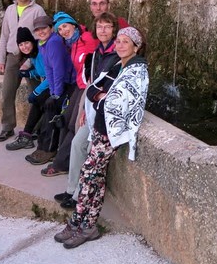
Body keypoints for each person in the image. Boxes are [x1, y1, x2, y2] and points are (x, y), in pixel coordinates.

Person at [54, 26, 149, 249]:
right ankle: (87, 225)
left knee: (88, 175)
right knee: (94, 178)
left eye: (126, 42)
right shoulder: (119, 65)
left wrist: (102, 96)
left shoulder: (137, 70)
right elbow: (93, 89)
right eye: (119, 41)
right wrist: (101, 96)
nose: (120, 45)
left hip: (110, 134)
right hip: (100, 126)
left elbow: (116, 100)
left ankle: (80, 222)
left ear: (136, 46)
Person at [41, 0, 127, 177]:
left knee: (74, 125)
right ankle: (62, 160)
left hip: (93, 89)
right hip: (83, 86)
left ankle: (62, 164)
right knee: (66, 121)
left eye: (102, 3)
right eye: (94, 4)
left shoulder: (89, 37)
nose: (98, 7)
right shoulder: (75, 41)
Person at [53, 12, 120, 209]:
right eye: (100, 27)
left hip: (105, 114)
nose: (103, 30)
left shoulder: (117, 53)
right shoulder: (96, 53)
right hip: (92, 110)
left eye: (107, 27)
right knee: (76, 143)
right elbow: (91, 82)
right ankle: (71, 188)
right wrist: (85, 109)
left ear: (113, 30)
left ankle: (78, 196)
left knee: (90, 150)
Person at [0, 0, 46, 142]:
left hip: (31, 57)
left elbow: (43, 33)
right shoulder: (10, 9)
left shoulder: (38, 10)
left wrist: (34, 56)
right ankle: (7, 127)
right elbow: (4, 35)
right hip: (12, 56)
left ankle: (37, 128)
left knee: (37, 93)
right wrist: (0, 59)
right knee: (7, 93)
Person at [25, 15, 74, 165]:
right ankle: (43, 144)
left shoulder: (54, 43)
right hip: (59, 84)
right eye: (38, 30)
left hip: (68, 83)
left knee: (52, 108)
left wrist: (56, 94)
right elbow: (48, 69)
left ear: (51, 28)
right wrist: (52, 92)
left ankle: (49, 149)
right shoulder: (42, 43)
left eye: (44, 28)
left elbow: (58, 70)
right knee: (45, 102)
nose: (41, 32)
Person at [5, 27, 49, 151]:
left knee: (37, 100)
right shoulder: (33, 54)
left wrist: (36, 91)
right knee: (37, 102)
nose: (24, 47)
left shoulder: (40, 52)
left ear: (32, 41)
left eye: (26, 43)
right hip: (49, 82)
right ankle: (28, 135)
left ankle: (27, 135)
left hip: (55, 84)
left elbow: (50, 76)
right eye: (21, 44)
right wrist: (30, 74)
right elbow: (41, 70)